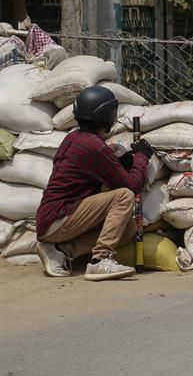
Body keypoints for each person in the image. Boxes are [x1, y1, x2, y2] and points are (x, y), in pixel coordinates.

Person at [35, 86, 153, 281]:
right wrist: (141, 157)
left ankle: (61, 250)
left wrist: (121, 162)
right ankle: (100, 260)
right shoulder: (95, 147)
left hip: (52, 221)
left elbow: (98, 171)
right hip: (59, 218)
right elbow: (132, 186)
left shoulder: (74, 138)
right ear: (108, 116)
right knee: (123, 196)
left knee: (129, 228)